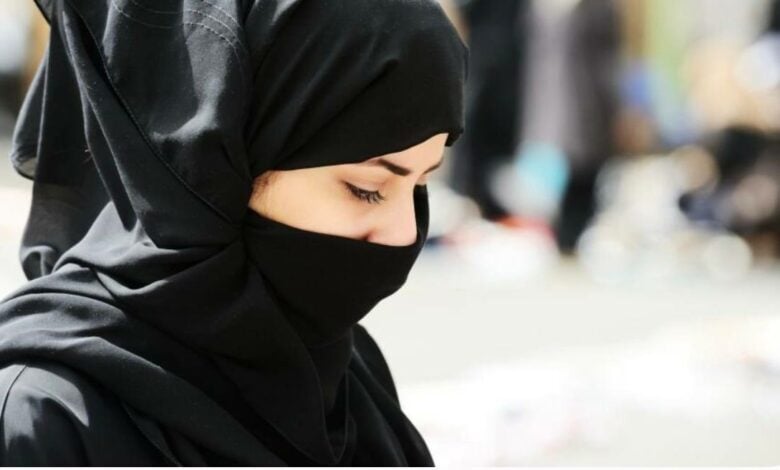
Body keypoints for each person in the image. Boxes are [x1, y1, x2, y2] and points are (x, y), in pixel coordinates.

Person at [0, 0, 466, 465]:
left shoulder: (348, 373)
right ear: (223, 163)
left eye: (420, 185)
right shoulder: (47, 417)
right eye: (367, 190)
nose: (405, 234)